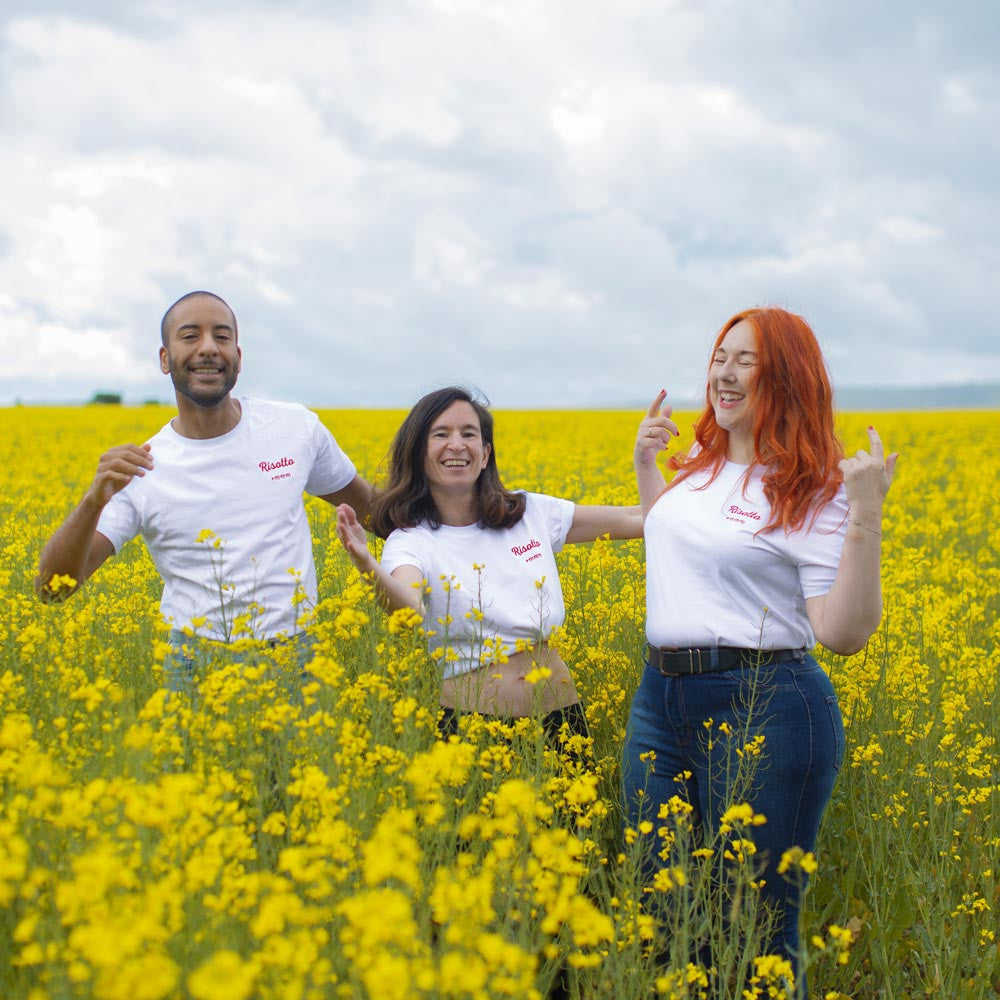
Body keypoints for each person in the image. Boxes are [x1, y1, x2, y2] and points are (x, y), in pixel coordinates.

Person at [622, 307, 897, 986]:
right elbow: (678, 546)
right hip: (660, 702)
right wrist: (645, 464)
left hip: (765, 707)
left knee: (757, 926)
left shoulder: (812, 489)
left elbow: (844, 633)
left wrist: (866, 515)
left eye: (746, 359)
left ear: (787, 377)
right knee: (665, 912)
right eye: (721, 355)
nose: (725, 371)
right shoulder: (700, 469)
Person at [35, 290, 372, 686]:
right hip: (195, 663)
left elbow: (376, 511)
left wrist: (454, 509)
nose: (209, 348)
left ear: (239, 358)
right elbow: (52, 591)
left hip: (295, 655)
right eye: (190, 336)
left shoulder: (296, 429)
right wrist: (93, 501)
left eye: (222, 336)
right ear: (165, 358)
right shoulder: (142, 467)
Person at [335, 385, 643, 743]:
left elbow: (636, 519)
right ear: (419, 453)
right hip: (472, 729)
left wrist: (672, 471)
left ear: (485, 454)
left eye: (469, 434)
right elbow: (408, 605)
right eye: (441, 434)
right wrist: (367, 565)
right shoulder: (412, 541)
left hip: (562, 722)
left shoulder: (529, 513)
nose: (457, 444)